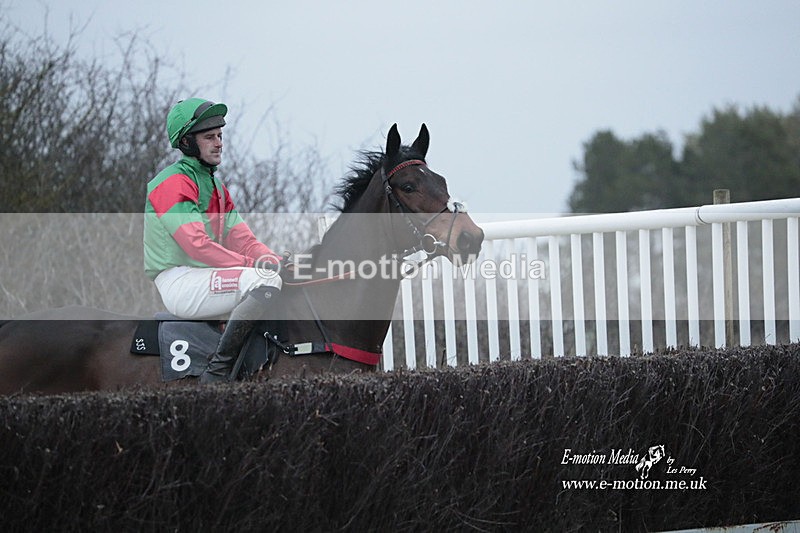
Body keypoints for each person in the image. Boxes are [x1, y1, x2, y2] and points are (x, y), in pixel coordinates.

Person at [144, 98, 282, 383]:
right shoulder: (172, 183)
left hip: (205, 276)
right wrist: (256, 267)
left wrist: (272, 260)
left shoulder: (217, 187)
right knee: (263, 281)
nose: (219, 143)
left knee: (277, 279)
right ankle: (217, 373)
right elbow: (197, 245)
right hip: (180, 282)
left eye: (220, 135)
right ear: (187, 143)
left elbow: (244, 240)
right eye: (209, 137)